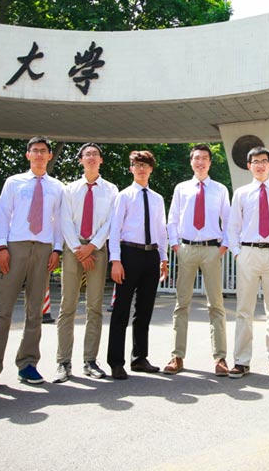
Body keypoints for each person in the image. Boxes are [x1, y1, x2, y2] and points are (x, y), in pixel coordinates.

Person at [0, 136, 64, 391]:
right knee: (2, 310)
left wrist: (57, 250)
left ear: (49, 156)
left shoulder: (57, 187)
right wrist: (1, 247)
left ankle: (27, 363)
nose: (39, 154)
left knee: (35, 311)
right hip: (15, 247)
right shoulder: (14, 182)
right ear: (28, 155)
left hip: (43, 248)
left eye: (43, 151)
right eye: (34, 150)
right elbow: (3, 215)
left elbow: (58, 220)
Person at [53, 143, 118, 383]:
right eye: (86, 154)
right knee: (67, 306)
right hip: (74, 249)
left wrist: (92, 246)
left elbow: (111, 222)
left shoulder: (111, 190)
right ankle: (63, 362)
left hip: (97, 249)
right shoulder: (69, 189)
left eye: (95, 154)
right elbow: (64, 221)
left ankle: (90, 360)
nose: (91, 158)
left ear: (101, 160)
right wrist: (78, 249)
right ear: (80, 160)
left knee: (94, 306)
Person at [226, 146, 269, 378]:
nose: (260, 165)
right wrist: (238, 253)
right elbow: (233, 226)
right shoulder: (241, 193)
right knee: (244, 309)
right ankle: (241, 361)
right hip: (248, 253)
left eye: (264, 161)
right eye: (255, 161)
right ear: (249, 166)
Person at [164, 144, 231, 376]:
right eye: (196, 158)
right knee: (181, 304)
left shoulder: (220, 189)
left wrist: (224, 246)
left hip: (212, 249)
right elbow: (172, 218)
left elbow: (228, 219)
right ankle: (177, 356)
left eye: (204, 158)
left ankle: (220, 358)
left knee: (216, 305)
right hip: (186, 249)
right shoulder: (181, 188)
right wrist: (175, 245)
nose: (200, 162)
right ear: (191, 162)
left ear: (210, 162)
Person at [106, 150, 169, 380]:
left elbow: (161, 230)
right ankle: (116, 362)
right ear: (131, 169)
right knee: (121, 310)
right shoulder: (124, 196)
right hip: (128, 253)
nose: (141, 169)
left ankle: (140, 358)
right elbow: (114, 230)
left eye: (145, 165)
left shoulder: (157, 198)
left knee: (144, 310)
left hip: (151, 255)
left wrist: (163, 258)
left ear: (151, 169)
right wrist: (115, 260)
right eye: (137, 165)